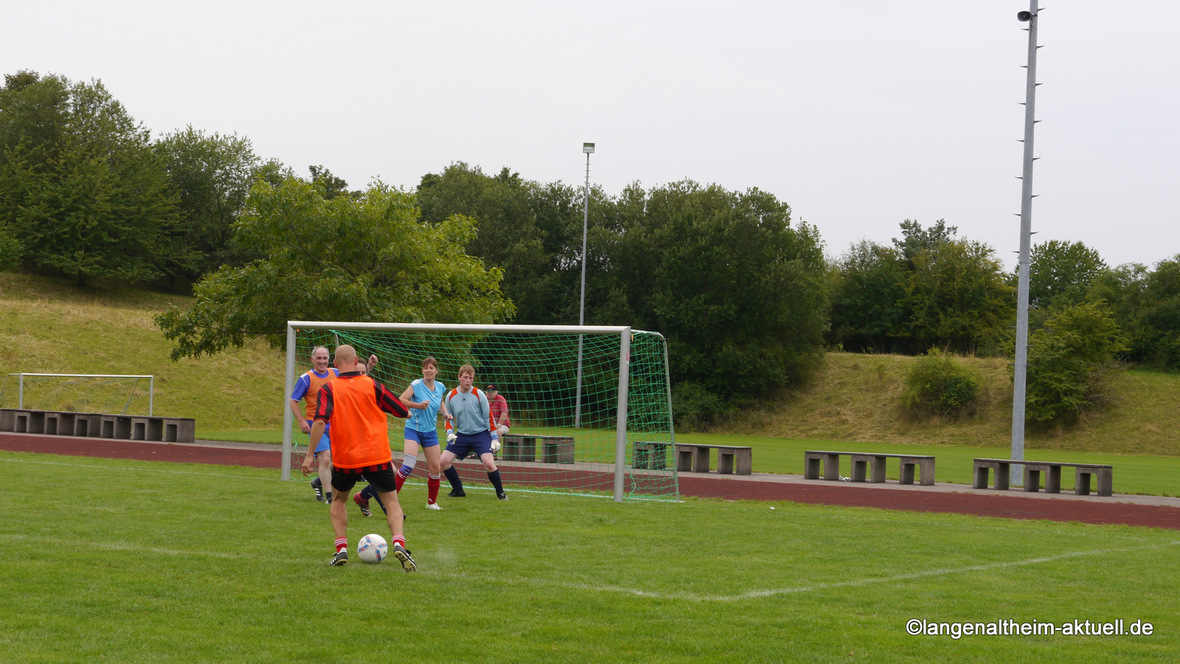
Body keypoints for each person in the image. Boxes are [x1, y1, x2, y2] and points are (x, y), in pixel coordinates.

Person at [305, 344, 416, 570]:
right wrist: (408, 411)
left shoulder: (329, 389)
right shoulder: (372, 385)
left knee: (338, 500)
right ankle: (398, 542)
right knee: (391, 501)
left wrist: (309, 455)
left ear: (335, 364)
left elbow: (319, 421)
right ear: (356, 361)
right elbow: (402, 411)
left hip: (347, 458)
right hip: (376, 454)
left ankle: (341, 549)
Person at [354, 356, 449, 516]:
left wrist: (445, 413)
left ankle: (431, 503)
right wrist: (417, 406)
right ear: (422, 370)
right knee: (408, 466)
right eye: (425, 367)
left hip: (430, 432)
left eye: (431, 368)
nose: (428, 370)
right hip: (414, 429)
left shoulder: (440, 386)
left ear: (436, 371)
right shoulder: (417, 384)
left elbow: (439, 401)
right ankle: (390, 501)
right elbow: (401, 400)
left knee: (435, 467)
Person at [291, 347, 377, 504]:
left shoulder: (335, 373)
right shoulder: (306, 378)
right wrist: (302, 421)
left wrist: (369, 367)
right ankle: (330, 497)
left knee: (337, 462)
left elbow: (358, 379)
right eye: (319, 358)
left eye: (325, 358)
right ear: (312, 359)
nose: (322, 361)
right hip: (317, 424)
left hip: (337, 423)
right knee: (325, 458)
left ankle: (318, 482)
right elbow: (293, 401)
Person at [440, 365, 507, 500]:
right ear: (459, 377)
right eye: (465, 377)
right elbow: (448, 417)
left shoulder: (478, 394)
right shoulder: (451, 396)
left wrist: (494, 437)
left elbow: (488, 416)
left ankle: (501, 493)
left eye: (471, 378)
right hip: (462, 435)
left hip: (481, 434)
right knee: (443, 461)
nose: (468, 380)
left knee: (488, 463)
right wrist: (450, 433)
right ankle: (458, 490)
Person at [485, 383, 510, 450]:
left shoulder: (500, 399)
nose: (490, 393)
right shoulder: (484, 400)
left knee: (498, 432)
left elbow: (504, 412)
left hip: (502, 425)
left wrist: (499, 425)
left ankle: (494, 452)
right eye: (488, 392)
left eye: (492, 392)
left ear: (496, 392)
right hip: (488, 425)